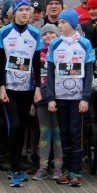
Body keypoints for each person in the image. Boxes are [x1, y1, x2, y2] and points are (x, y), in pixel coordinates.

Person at [0, 0, 44, 187]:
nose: (24, 13)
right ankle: (15, 169)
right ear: (14, 12)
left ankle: (17, 167)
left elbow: (37, 63)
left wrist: (38, 87)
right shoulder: (4, 32)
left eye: (27, 9)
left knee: (23, 126)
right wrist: (1, 87)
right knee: (14, 126)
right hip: (10, 88)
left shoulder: (35, 33)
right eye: (21, 9)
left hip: (28, 87)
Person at [43, 10, 94, 187]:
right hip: (60, 97)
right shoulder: (55, 44)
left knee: (75, 133)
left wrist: (85, 98)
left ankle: (76, 171)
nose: (60, 25)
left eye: (63, 22)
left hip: (77, 98)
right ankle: (65, 170)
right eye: (59, 23)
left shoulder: (85, 44)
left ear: (72, 24)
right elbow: (50, 73)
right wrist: (50, 98)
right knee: (63, 133)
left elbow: (89, 73)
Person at [31, 23, 61, 181]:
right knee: (45, 133)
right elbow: (33, 75)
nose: (48, 36)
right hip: (41, 98)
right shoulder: (37, 54)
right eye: (45, 34)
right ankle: (43, 167)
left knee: (58, 133)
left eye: (52, 33)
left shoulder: (61, 51)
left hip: (58, 98)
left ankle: (58, 168)